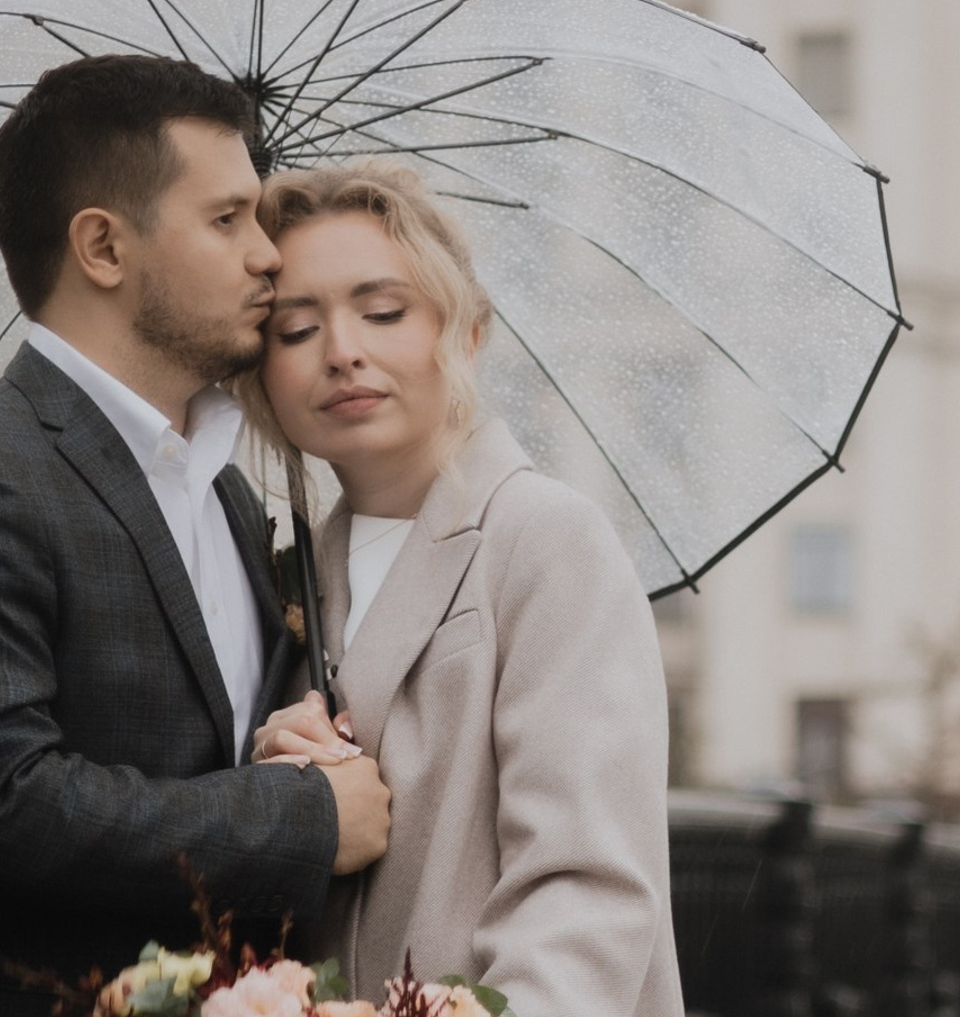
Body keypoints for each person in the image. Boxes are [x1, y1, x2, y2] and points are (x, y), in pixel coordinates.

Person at [0, 56, 391, 1016]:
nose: (268, 255)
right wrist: (299, 817)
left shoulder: (227, 496)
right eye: (227, 220)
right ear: (102, 248)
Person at [238, 162, 685, 1017]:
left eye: (383, 312)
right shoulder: (287, 575)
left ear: (466, 332)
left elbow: (587, 886)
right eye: (295, 330)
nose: (343, 352)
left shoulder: (546, 541)